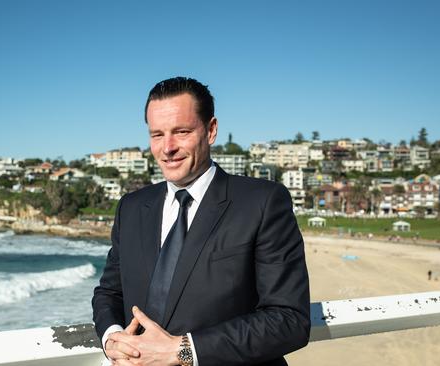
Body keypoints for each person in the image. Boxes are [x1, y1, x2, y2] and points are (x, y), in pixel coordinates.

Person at [92, 77, 310, 366]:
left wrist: (182, 350)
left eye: (181, 132)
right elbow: (109, 293)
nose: (167, 147)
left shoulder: (262, 202)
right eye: (157, 135)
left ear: (210, 130)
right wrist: (113, 338)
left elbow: (289, 319)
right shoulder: (131, 208)